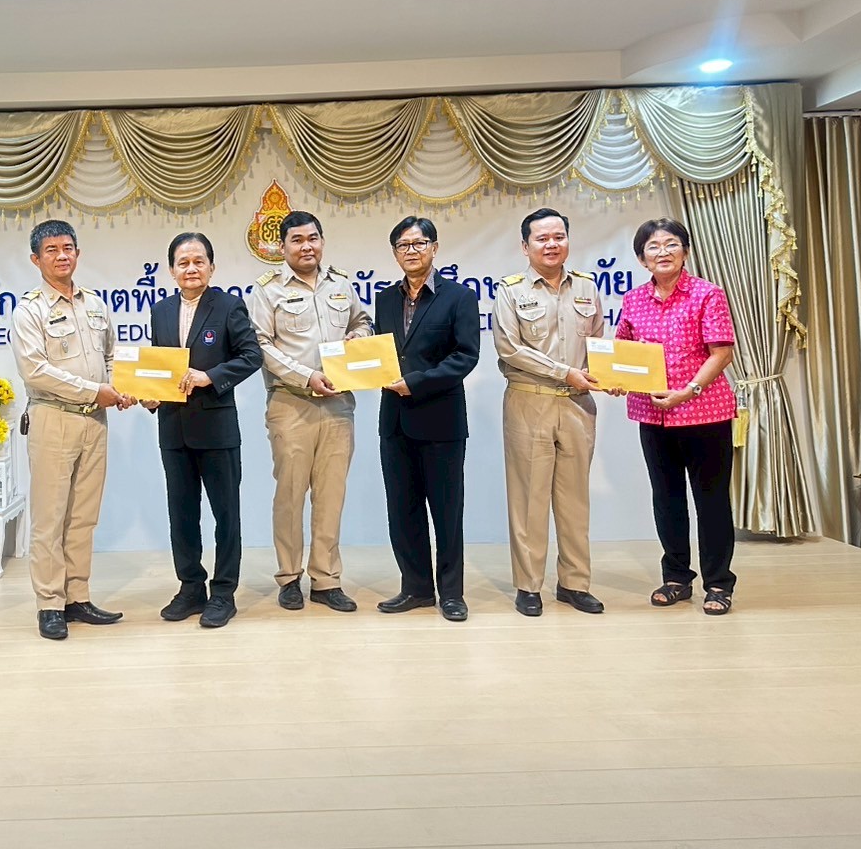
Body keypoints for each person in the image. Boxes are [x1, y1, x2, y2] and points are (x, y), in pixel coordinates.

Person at [12, 219, 135, 641]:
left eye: (68, 248)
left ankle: (77, 597)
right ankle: (50, 603)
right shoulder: (29, 310)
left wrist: (120, 388)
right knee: (50, 518)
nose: (61, 256)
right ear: (36, 259)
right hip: (53, 418)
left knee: (83, 516)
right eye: (51, 250)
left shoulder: (95, 304)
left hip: (94, 421)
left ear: (78, 253)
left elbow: (111, 356)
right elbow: (35, 370)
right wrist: (96, 390)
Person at [248, 211, 372, 613]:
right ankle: (289, 577)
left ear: (322, 241)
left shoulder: (342, 284)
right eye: (297, 240)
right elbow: (261, 345)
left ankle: (326, 579)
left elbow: (363, 321)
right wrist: (307, 377)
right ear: (282, 247)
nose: (307, 246)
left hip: (338, 405)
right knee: (290, 495)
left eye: (313, 238)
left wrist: (358, 336)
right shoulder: (267, 290)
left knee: (331, 496)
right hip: (291, 403)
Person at [614, 217, 738, 616]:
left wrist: (689, 390)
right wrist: (616, 379)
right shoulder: (634, 299)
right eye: (653, 246)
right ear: (641, 259)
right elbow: (623, 351)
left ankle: (718, 583)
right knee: (666, 500)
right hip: (653, 416)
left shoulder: (707, 294)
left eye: (671, 244)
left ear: (685, 251)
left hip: (705, 412)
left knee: (711, 501)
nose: (662, 252)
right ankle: (676, 578)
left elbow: (722, 352)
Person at [491, 208, 606, 618]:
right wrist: (564, 372)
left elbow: (597, 343)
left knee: (575, 501)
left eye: (559, 236)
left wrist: (606, 375)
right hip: (530, 401)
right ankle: (529, 586)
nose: (551, 244)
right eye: (542, 238)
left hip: (577, 405)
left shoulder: (588, 287)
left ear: (568, 240)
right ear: (526, 247)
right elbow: (509, 349)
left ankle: (575, 584)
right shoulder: (510, 291)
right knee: (529, 500)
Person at [144, 233, 263, 629]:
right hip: (172, 428)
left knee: (226, 515)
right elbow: (158, 367)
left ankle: (223, 592)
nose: (191, 268)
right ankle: (190, 587)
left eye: (199, 261)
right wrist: (150, 394)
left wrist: (210, 376)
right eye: (183, 262)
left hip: (216, 427)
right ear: (171, 269)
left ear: (212, 267)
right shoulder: (160, 311)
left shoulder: (228, 306)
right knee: (181, 514)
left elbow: (251, 356)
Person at [373, 217, 481, 622]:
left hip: (441, 421)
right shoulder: (385, 299)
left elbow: (466, 356)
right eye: (403, 245)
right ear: (395, 253)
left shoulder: (459, 297)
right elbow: (382, 353)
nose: (412, 251)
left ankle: (451, 593)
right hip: (394, 421)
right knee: (403, 511)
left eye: (419, 243)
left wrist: (416, 383)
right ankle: (416, 588)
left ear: (434, 248)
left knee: (447, 512)